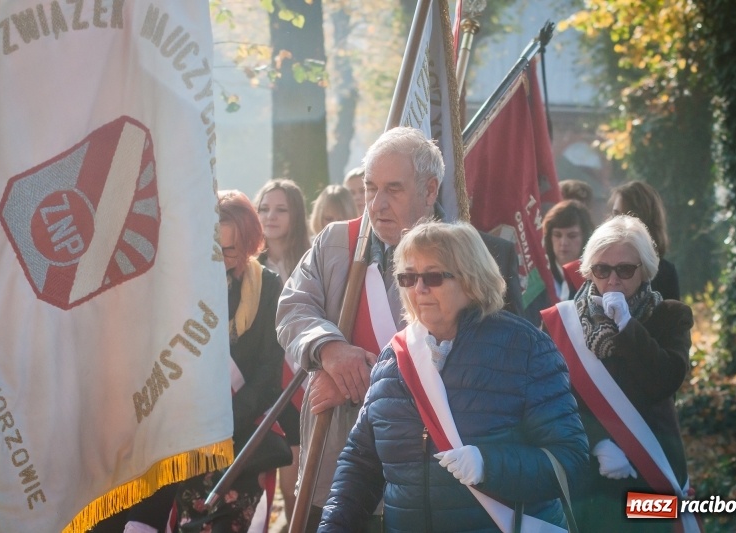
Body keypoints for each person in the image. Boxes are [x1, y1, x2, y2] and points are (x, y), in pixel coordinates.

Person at [275, 126, 526, 533]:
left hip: (432, 478)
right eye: (371, 187)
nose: (377, 203)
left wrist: (365, 380)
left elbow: (496, 366)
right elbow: (293, 307)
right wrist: (329, 350)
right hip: (340, 464)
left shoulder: (483, 255)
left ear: (430, 191)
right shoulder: (336, 241)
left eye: (393, 189)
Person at [318, 221, 588, 532]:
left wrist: (489, 464)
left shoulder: (526, 349)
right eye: (407, 277)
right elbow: (360, 465)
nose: (418, 289)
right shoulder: (393, 358)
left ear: (472, 279)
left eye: (433, 276)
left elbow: (570, 462)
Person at [541, 215, 697, 533]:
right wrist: (598, 442)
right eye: (602, 270)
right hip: (590, 471)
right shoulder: (560, 323)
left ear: (645, 270)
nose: (613, 281)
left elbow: (665, 380)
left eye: (625, 270)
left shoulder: (670, 316)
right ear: (589, 270)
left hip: (653, 463)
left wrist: (627, 327)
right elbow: (548, 399)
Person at [175, 190, 287, 532]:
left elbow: (271, 369)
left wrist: (227, 422)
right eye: (213, 250)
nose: (219, 259)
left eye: (229, 250)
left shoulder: (268, 287)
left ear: (251, 243)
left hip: (243, 443)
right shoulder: (184, 286)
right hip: (188, 439)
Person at [252, 178, 311, 527]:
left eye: (280, 209)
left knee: (295, 490)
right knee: (255, 492)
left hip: (299, 385)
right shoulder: (246, 265)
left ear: (297, 214)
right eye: (263, 208)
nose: (270, 216)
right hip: (259, 386)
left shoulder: (312, 261)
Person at [609, 181, 680, 300]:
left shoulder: (664, 273)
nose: (618, 222)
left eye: (627, 216)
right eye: (615, 214)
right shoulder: (599, 265)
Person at [543, 200, 595, 300]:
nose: (563, 243)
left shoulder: (595, 276)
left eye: (572, 236)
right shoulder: (539, 277)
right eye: (557, 235)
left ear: (585, 238)